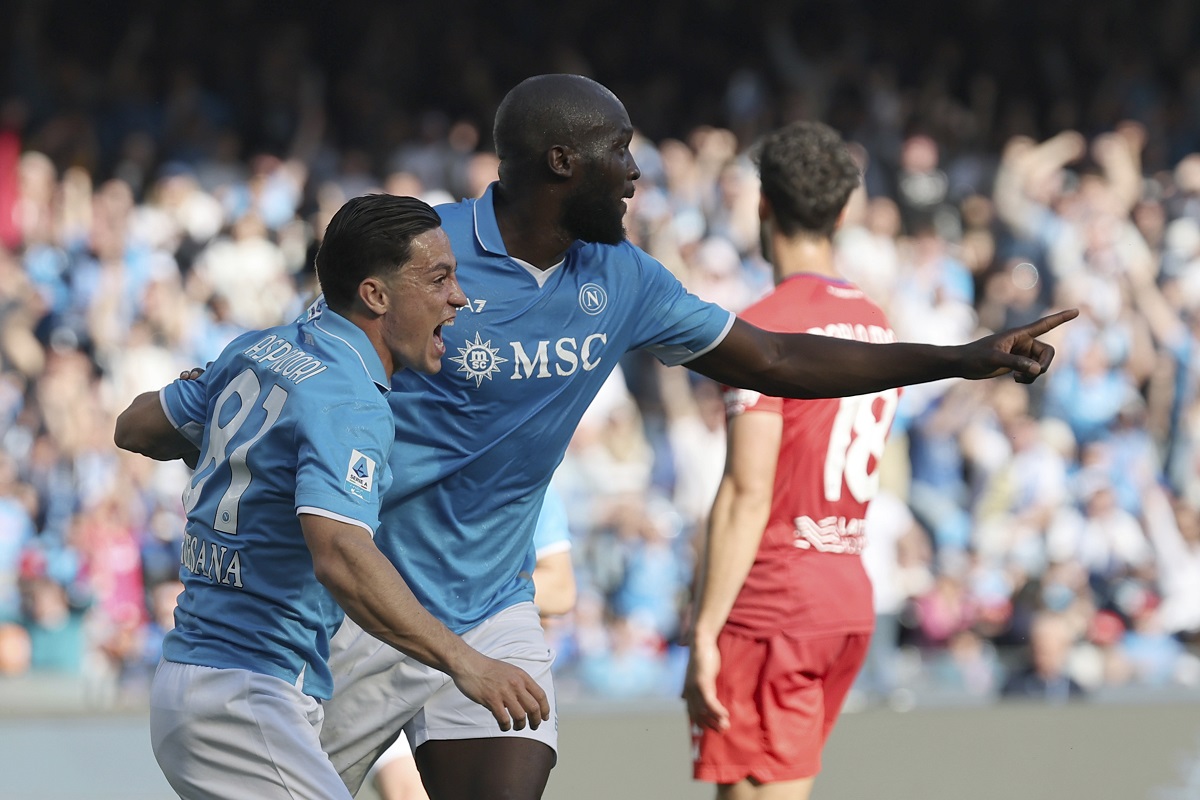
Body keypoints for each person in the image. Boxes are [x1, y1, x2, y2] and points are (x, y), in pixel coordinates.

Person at [135, 75, 1074, 800]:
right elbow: (323, 362)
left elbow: (779, 360)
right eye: (619, 153)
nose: (637, 172)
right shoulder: (427, 253)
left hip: (490, 603)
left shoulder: (622, 278)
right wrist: (202, 418)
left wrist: (963, 357)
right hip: (366, 606)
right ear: (560, 163)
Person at [113, 194, 549, 800]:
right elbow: (340, 552)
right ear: (375, 295)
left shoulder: (257, 349)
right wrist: (467, 662)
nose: (459, 297)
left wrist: (204, 396)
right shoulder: (350, 400)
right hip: (247, 691)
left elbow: (132, 427)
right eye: (439, 278)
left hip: (211, 678)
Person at [682, 120, 901, 800]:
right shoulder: (876, 322)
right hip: (845, 592)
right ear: (841, 213)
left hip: (774, 601)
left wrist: (705, 631)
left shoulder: (765, 328)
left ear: (762, 206)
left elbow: (749, 490)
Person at [369, 485, 576, 800]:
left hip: (480, 652)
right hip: (372, 640)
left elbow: (561, 587)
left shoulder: (516, 465)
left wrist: (469, 587)